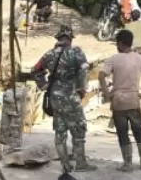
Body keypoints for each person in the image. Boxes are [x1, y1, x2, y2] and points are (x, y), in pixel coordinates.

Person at [32, 24, 94, 172]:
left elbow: (35, 70)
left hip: (55, 98)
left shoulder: (49, 54)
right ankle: (81, 164)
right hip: (71, 97)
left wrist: (45, 86)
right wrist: (82, 88)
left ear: (58, 38)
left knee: (60, 131)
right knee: (78, 129)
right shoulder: (76, 52)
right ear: (70, 38)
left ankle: (65, 165)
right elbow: (84, 69)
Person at [99, 29, 141, 171]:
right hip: (133, 99)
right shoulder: (140, 58)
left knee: (122, 132)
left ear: (120, 43)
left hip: (118, 100)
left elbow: (102, 75)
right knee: (139, 130)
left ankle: (128, 163)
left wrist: (107, 94)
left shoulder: (113, 59)